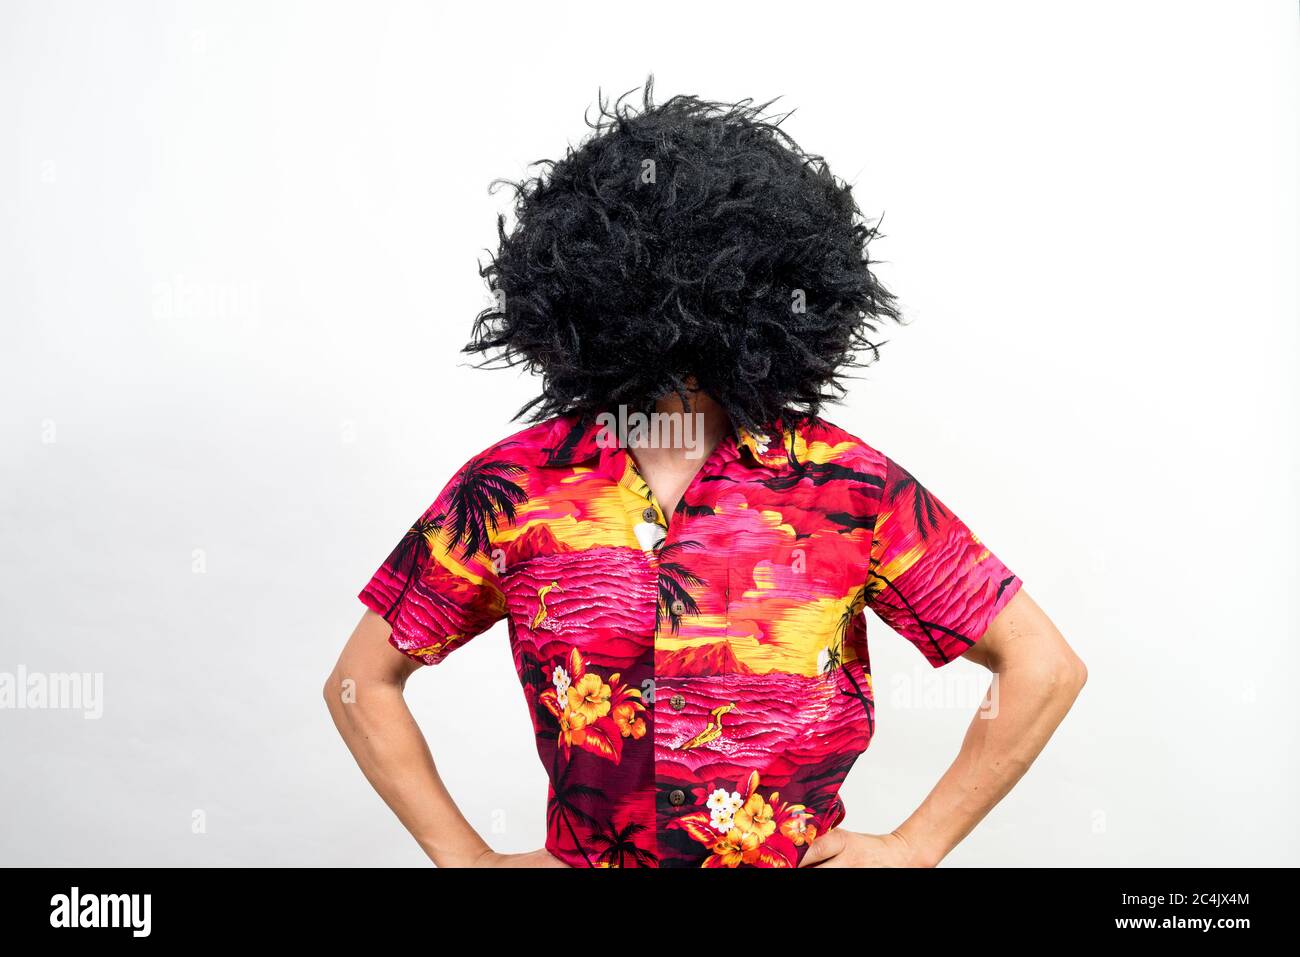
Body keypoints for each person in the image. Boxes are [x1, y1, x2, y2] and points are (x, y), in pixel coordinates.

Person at [324, 81, 1086, 868]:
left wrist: (912, 846)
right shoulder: (513, 487)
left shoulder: (850, 488)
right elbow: (360, 683)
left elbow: (1043, 664)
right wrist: (472, 863)